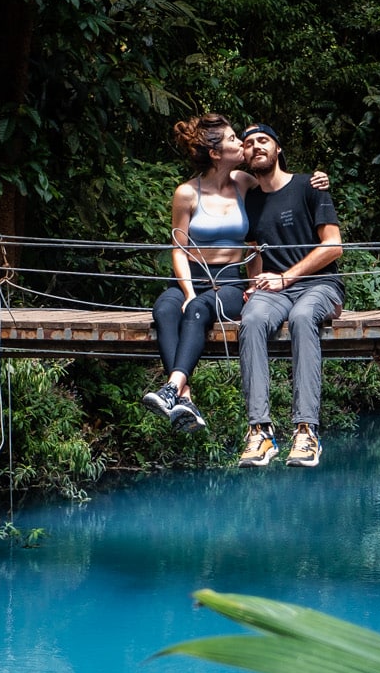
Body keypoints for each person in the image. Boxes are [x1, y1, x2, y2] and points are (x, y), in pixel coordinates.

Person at [142, 114, 332, 436]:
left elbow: (281, 187)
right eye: (234, 140)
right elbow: (178, 247)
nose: (242, 146)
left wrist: (318, 180)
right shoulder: (186, 193)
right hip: (193, 276)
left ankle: (173, 388)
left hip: (229, 281)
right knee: (164, 308)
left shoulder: (245, 183)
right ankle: (184, 395)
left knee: (201, 310)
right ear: (216, 153)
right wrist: (187, 293)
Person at [235, 123, 343, 469]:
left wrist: (286, 277)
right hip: (274, 288)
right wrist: (254, 285)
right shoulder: (251, 199)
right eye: (249, 144)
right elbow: (254, 252)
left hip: (319, 285)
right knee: (250, 321)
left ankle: (306, 431)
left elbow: (333, 246)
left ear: (278, 148)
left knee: (300, 318)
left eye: (263, 140)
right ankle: (259, 432)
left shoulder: (309, 185)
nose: (256, 147)